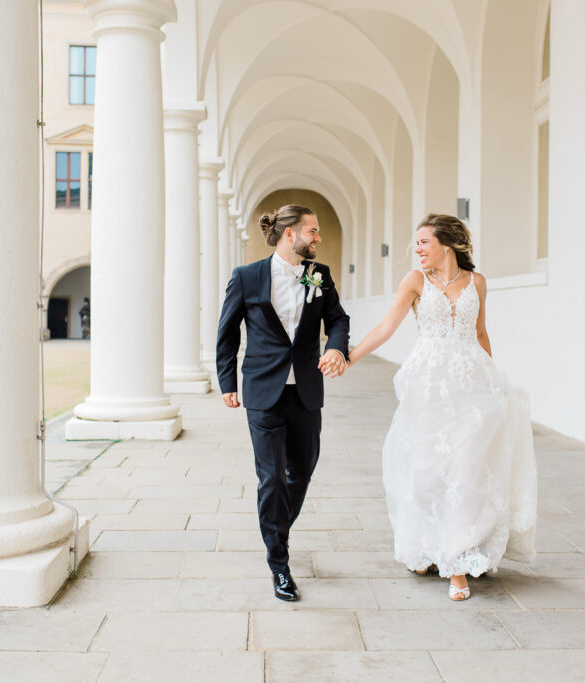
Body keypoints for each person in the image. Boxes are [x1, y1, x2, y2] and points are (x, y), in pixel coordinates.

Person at [346, 213, 537, 601]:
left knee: (466, 469)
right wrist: (350, 357)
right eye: (416, 244)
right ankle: (426, 546)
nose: (417, 250)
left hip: (472, 385)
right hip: (429, 387)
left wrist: (493, 379)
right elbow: (387, 326)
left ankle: (457, 561)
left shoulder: (477, 282)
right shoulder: (416, 281)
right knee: (428, 471)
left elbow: (481, 331)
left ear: (446, 244)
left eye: (423, 242)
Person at [216, 204, 350, 601]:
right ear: (290, 234)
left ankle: (276, 529)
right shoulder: (246, 277)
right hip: (262, 391)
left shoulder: (319, 275)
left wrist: (337, 349)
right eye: (313, 230)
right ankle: (279, 563)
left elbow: (338, 319)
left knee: (301, 472)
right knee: (271, 478)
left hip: (306, 390)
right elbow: (227, 333)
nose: (318, 238)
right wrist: (226, 380)